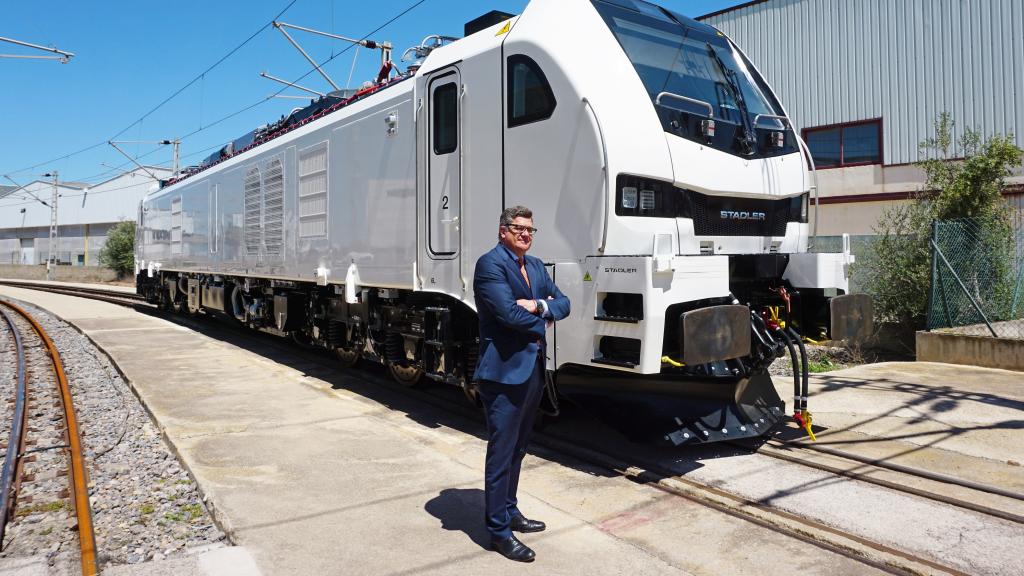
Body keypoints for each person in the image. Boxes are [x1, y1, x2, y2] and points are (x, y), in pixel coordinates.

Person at [472, 205, 570, 562]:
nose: (525, 234)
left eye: (530, 229)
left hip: (531, 372)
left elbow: (564, 303)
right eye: (518, 228)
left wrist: (538, 306)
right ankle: (498, 531)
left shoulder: (536, 266)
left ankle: (510, 510)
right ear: (503, 231)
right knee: (501, 451)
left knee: (518, 448)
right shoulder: (490, 265)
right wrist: (540, 318)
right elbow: (506, 314)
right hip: (502, 374)